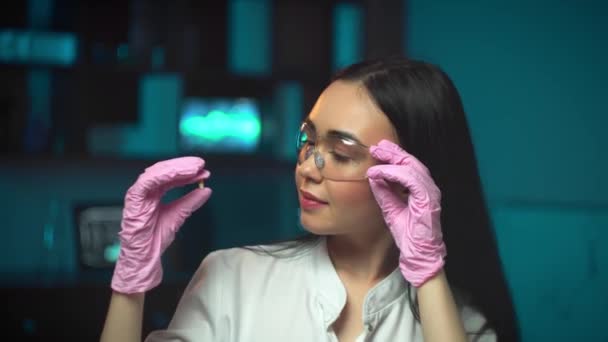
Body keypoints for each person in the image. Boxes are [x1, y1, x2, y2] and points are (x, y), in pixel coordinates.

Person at [100, 57, 519, 342]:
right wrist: (128, 289)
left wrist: (428, 274)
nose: (308, 167)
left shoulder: (458, 322)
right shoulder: (232, 279)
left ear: (410, 177)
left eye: (341, 153)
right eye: (308, 140)